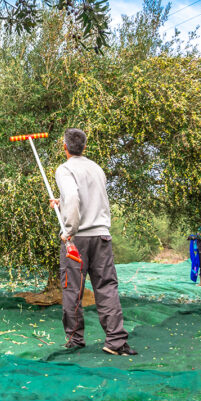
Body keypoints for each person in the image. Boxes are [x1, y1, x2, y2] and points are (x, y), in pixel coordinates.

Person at [50, 128, 135, 356]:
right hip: (101, 236)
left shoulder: (65, 169)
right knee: (107, 287)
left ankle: (75, 340)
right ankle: (116, 341)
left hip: (78, 239)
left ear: (64, 146)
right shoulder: (96, 168)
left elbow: (75, 198)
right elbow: (90, 199)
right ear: (84, 147)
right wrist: (62, 202)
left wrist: (68, 230)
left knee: (72, 289)